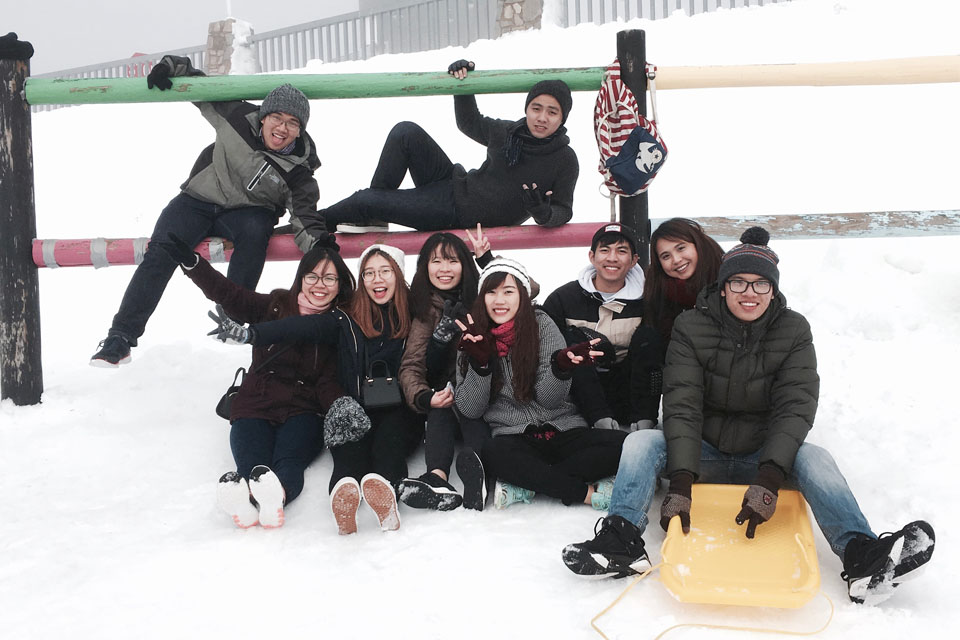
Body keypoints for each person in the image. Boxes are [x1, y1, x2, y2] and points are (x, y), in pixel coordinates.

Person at [561, 227, 936, 607]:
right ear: (722, 287)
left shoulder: (793, 330)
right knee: (642, 442)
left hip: (762, 454)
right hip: (703, 450)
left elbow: (796, 405)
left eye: (760, 285)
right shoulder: (692, 327)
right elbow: (682, 403)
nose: (749, 293)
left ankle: (862, 555)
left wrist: (771, 476)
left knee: (815, 457)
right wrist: (681, 480)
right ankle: (620, 540)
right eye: (738, 283)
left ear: (773, 290)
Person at [90, 54, 334, 367]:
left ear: (300, 131)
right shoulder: (236, 116)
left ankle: (233, 317)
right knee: (162, 250)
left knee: (256, 232)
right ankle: (120, 337)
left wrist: (321, 247)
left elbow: (305, 219)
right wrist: (170, 69)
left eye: (293, 123)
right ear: (263, 117)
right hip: (199, 200)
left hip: (249, 213)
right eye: (277, 118)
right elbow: (202, 85)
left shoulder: (299, 171)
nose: (282, 128)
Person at [208, 245, 424, 536]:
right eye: (369, 273)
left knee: (389, 446)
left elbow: (424, 357)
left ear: (398, 275)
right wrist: (253, 334)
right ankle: (341, 496)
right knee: (348, 451)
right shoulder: (346, 316)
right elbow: (297, 327)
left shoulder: (416, 313)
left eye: (385, 271)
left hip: (396, 406)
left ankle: (386, 497)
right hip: (354, 402)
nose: (377, 279)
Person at [159, 233, 354, 529]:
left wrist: (338, 404)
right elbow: (229, 294)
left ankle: (274, 500)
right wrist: (192, 263)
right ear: (300, 279)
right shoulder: (274, 305)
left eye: (329, 279)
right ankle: (247, 502)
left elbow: (326, 376)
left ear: (340, 286)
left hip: (304, 409)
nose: (319, 285)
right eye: (312, 276)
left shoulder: (340, 323)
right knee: (252, 467)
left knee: (288, 463)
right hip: (256, 402)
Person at [318, 59, 579, 233]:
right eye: (536, 108)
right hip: (453, 185)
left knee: (365, 199)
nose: (542, 118)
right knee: (405, 132)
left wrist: (543, 214)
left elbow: (563, 210)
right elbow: (469, 123)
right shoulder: (509, 132)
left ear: (563, 118)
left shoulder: (564, 159)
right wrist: (463, 83)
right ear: (527, 109)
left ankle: (316, 222)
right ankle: (374, 214)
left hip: (457, 215)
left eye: (552, 112)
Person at [453, 258, 627, 510]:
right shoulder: (472, 336)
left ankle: (528, 482)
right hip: (514, 437)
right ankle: (585, 492)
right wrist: (480, 365)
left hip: (564, 430)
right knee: (494, 454)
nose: (499, 300)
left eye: (508, 291)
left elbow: (550, 400)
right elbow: (470, 409)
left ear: (523, 296)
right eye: (491, 292)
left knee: (624, 447)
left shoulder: (541, 324)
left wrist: (561, 368)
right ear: (482, 298)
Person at [396, 228, 494, 512]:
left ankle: (480, 473)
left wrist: (487, 260)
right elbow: (411, 364)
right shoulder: (425, 307)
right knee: (442, 402)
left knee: (467, 401)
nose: (444, 269)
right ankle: (437, 478)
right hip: (447, 390)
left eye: (452, 261)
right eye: (436, 261)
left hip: (485, 388)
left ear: (465, 264)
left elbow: (528, 288)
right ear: (425, 266)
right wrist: (424, 397)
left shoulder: (484, 293)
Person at [542, 222, 660, 432]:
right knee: (573, 342)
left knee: (648, 338)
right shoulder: (563, 298)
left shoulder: (649, 299)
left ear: (634, 260)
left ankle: (645, 419)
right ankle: (599, 419)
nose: (612, 258)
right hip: (581, 398)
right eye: (604, 250)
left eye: (621, 251)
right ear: (591, 256)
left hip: (629, 391)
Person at [642, 217, 724, 345]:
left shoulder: (729, 283)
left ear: (697, 244)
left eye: (681, 248)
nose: (676, 259)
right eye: (666, 256)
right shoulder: (658, 294)